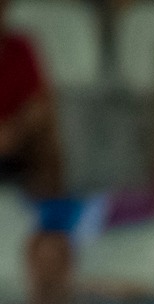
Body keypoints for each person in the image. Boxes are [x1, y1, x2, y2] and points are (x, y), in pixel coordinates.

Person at [0, 0, 61, 198]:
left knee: (46, 131)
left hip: (16, 146)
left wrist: (15, 130)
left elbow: (39, 104)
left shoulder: (20, 48)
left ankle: (48, 210)